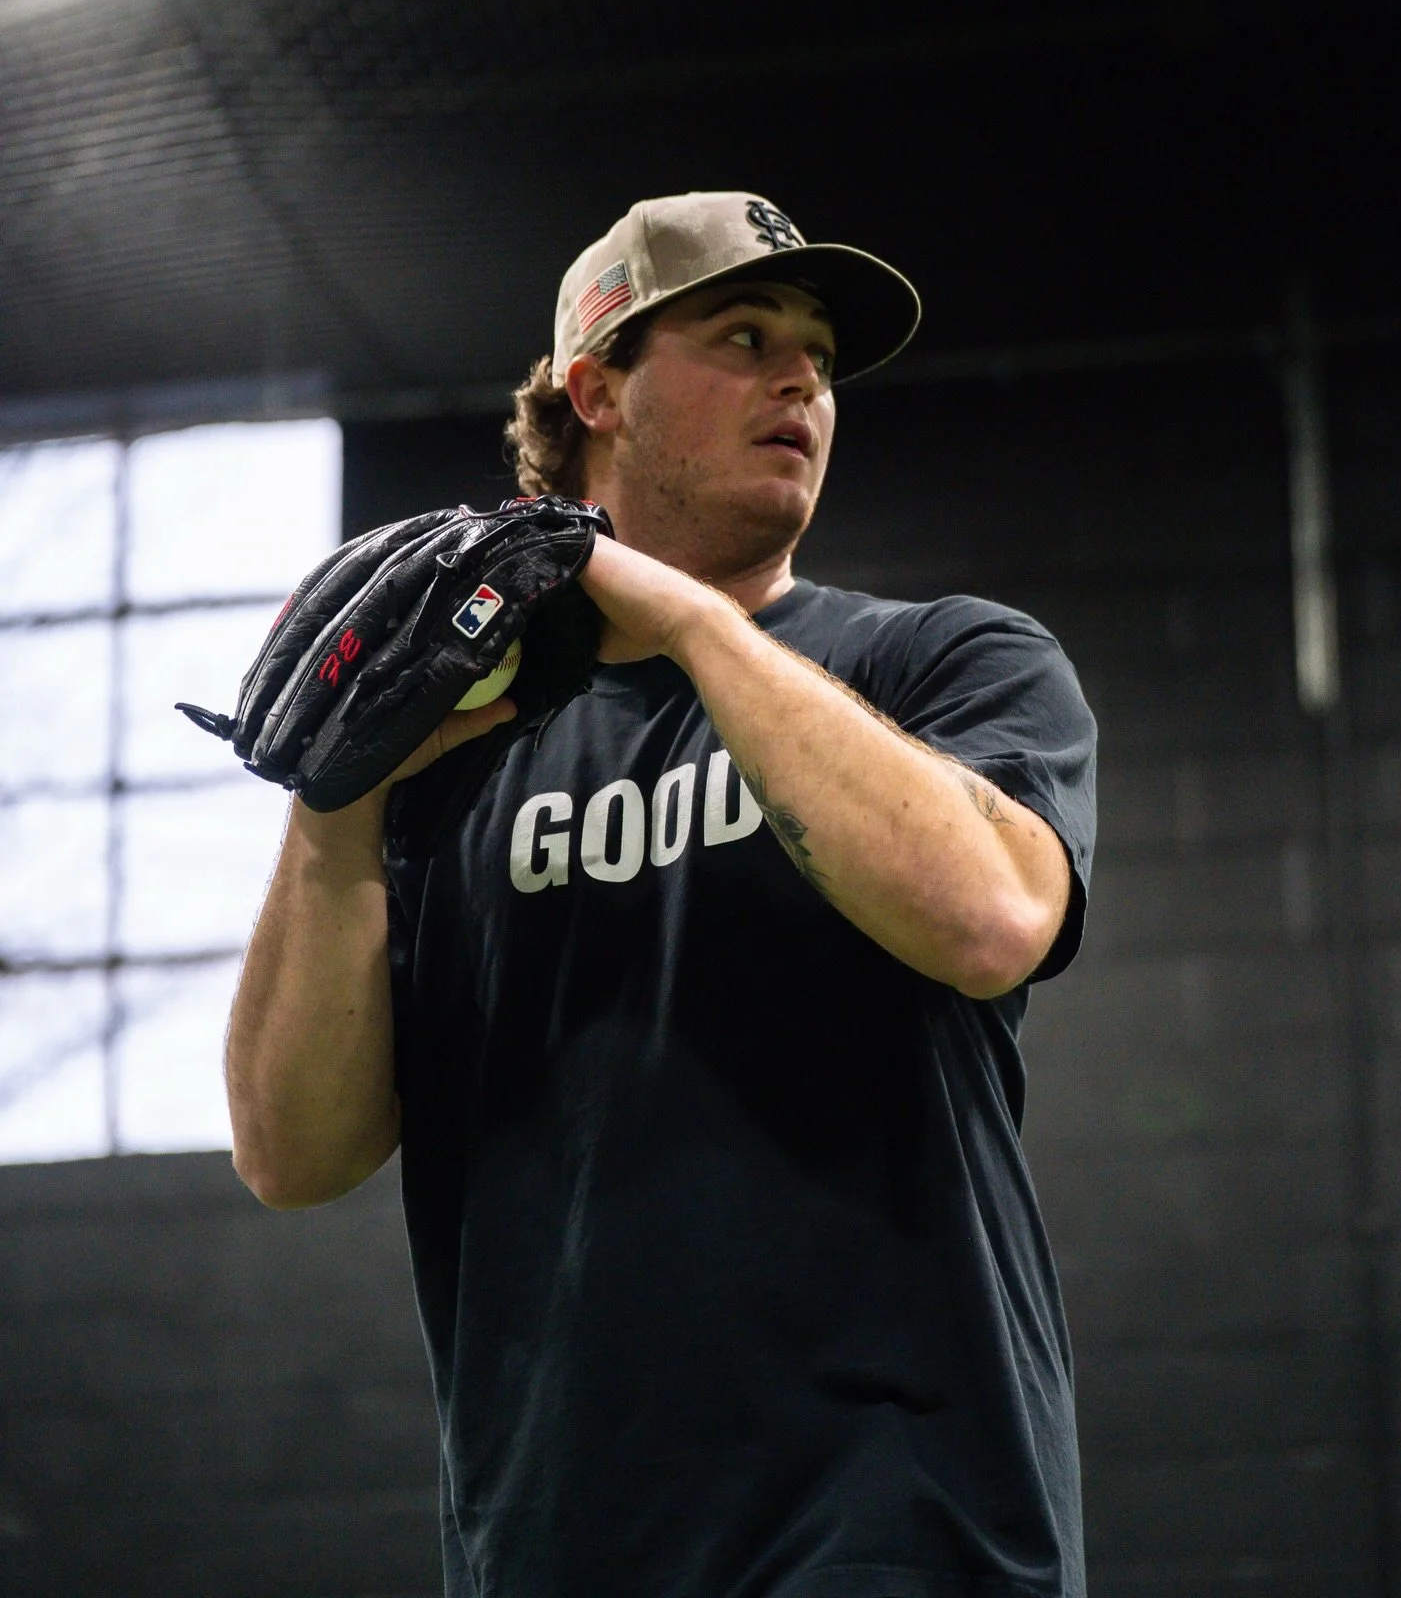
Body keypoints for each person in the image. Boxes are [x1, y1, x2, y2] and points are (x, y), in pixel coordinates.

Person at [227, 191, 1098, 1598]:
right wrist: (334, 820)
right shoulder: (448, 758)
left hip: (900, 1526)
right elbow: (292, 1154)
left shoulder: (947, 666)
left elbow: (991, 921)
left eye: (816, 350)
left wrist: (688, 615)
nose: (803, 376)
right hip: (556, 1544)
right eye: (745, 335)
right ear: (596, 393)